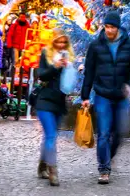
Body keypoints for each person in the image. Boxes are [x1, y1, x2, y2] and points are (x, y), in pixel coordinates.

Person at [80, 10, 130, 186]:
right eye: (106, 26)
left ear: (118, 27)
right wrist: (85, 95)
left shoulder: (129, 44)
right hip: (103, 95)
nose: (109, 30)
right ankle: (104, 169)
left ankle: (110, 156)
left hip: (122, 95)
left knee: (120, 132)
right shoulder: (96, 46)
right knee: (104, 133)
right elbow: (89, 71)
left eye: (112, 27)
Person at [35, 28, 71, 186]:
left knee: (50, 136)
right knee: (51, 136)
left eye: (64, 42)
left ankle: (42, 164)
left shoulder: (69, 57)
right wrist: (55, 66)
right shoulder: (46, 54)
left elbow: (69, 83)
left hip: (59, 102)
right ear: (54, 41)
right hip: (45, 100)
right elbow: (41, 74)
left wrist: (72, 69)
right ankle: (53, 171)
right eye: (59, 41)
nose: (61, 44)